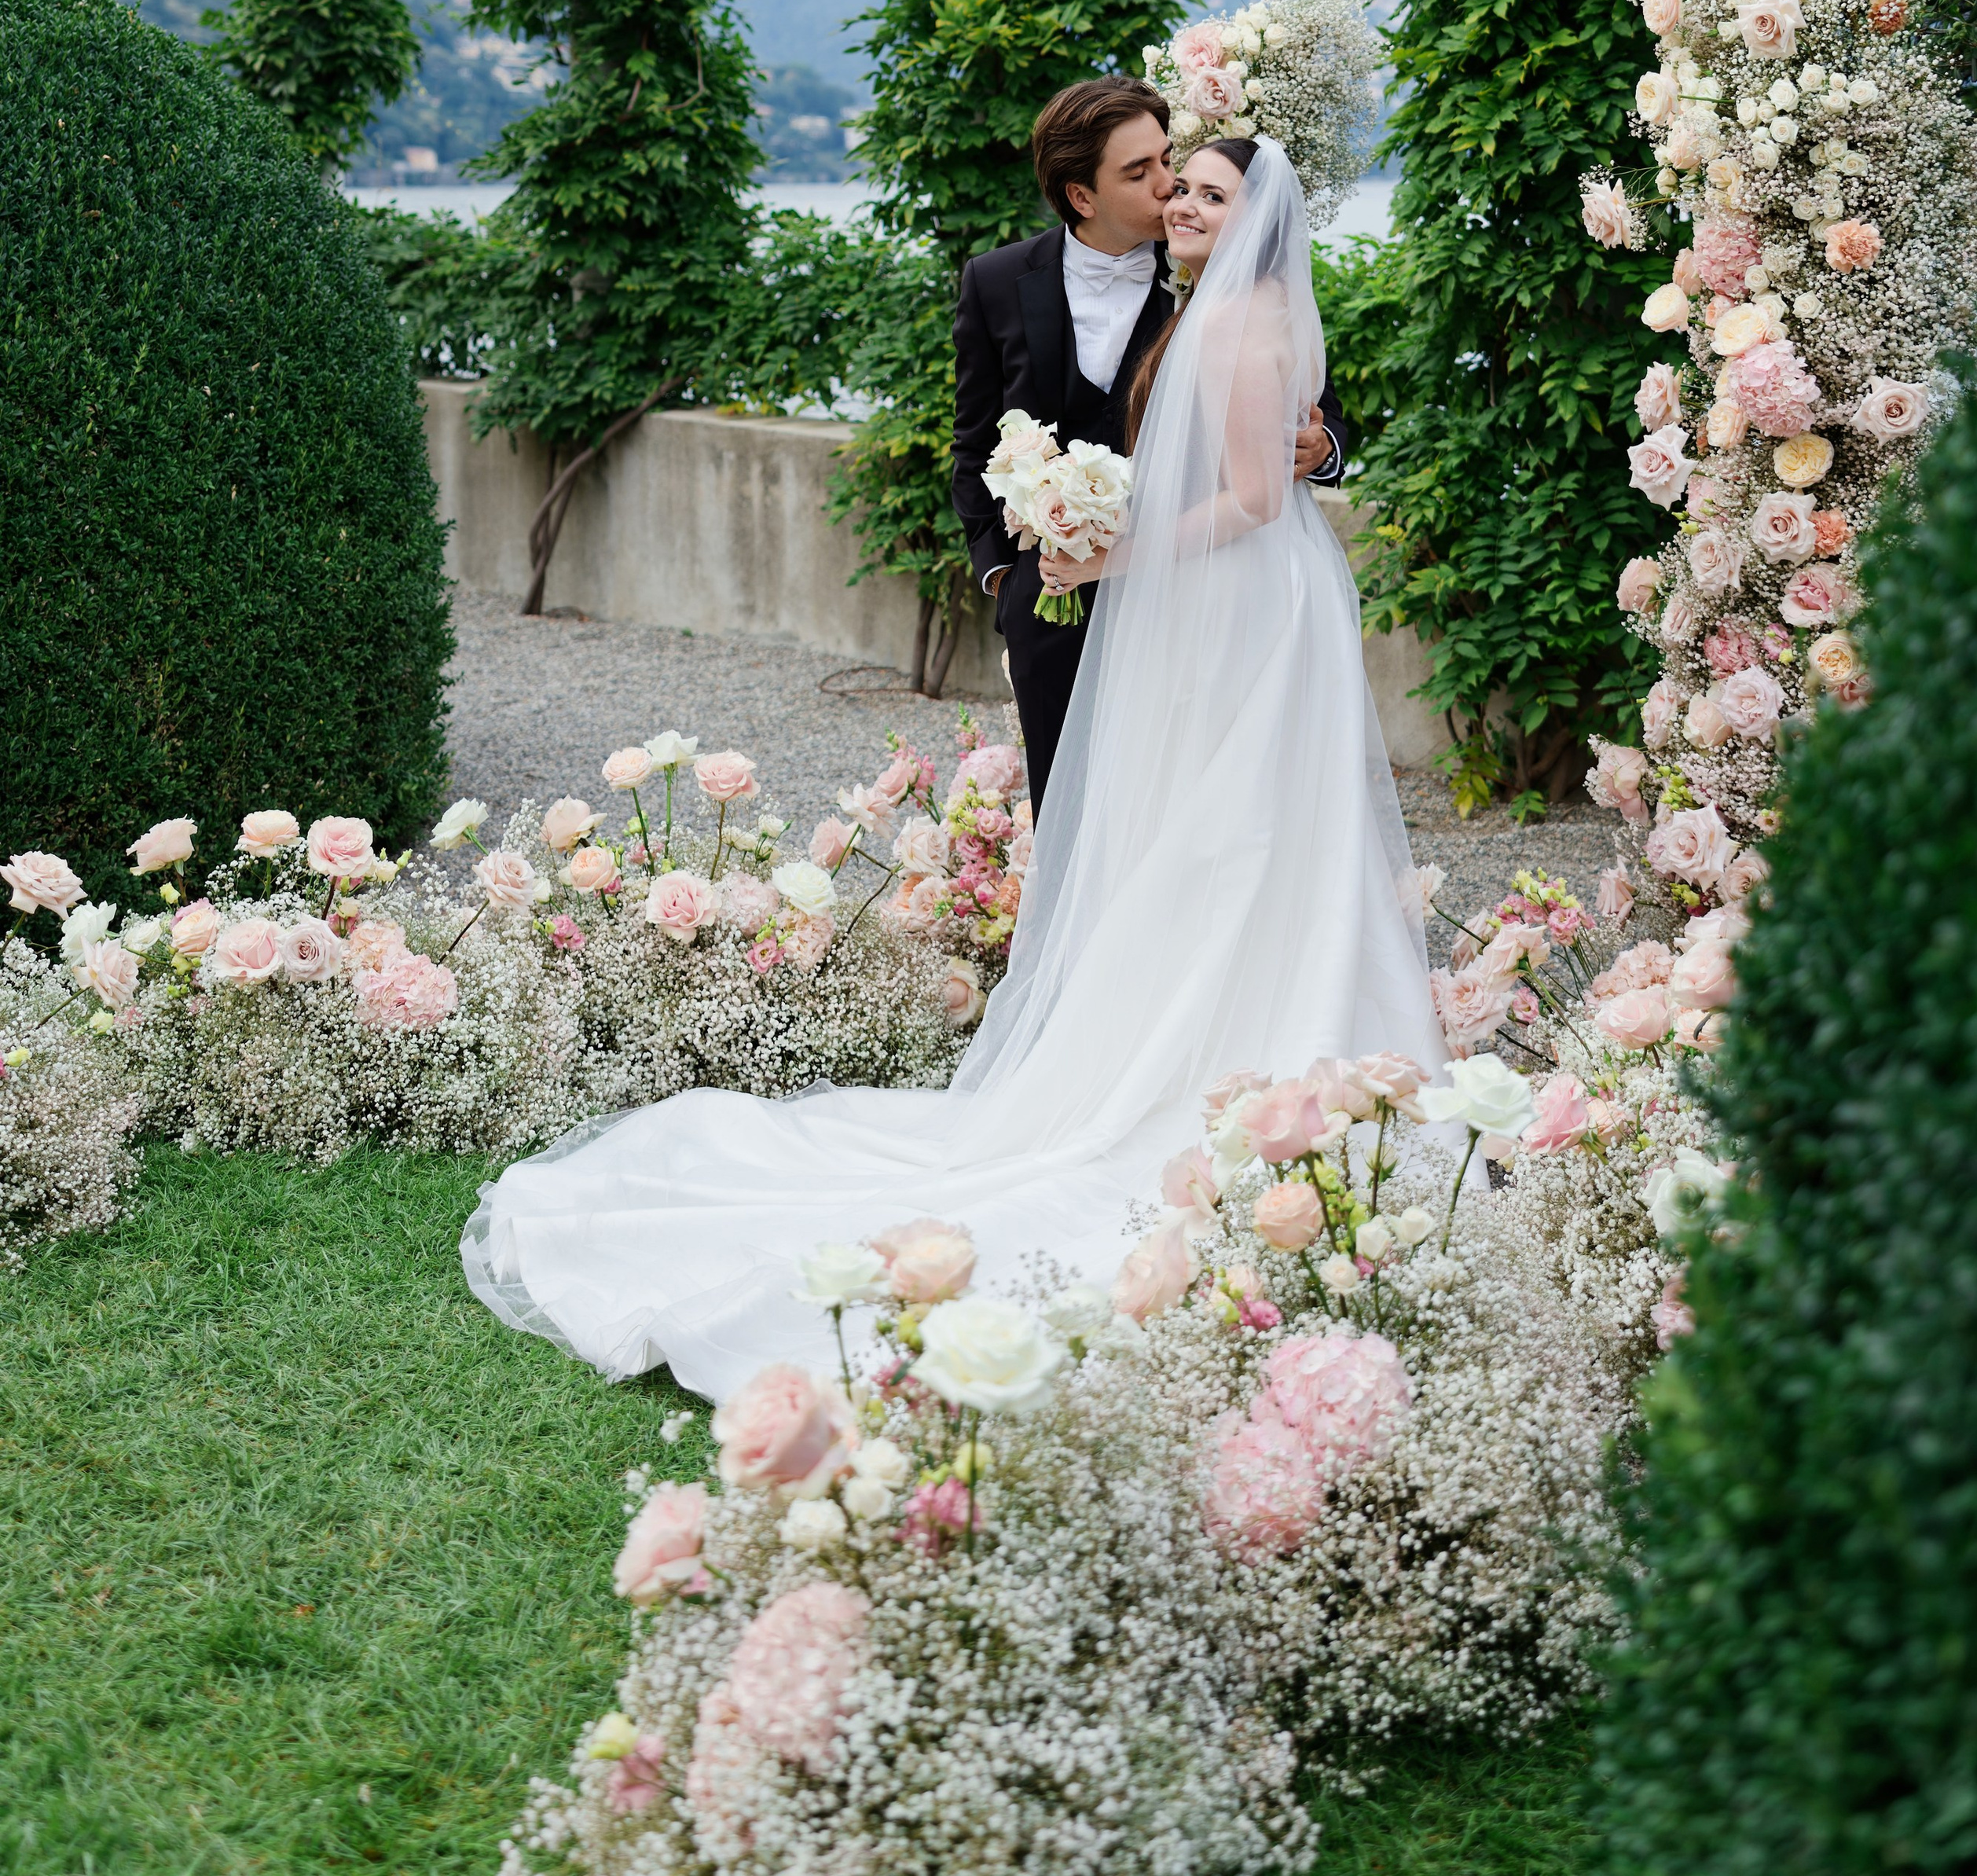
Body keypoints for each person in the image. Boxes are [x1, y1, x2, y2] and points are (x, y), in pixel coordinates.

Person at [461, 135, 1442, 1401]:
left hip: (1232, 598)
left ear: (1253, 219)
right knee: (1169, 828)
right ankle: (1181, 1027)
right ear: (1085, 190)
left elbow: (1272, 473)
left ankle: (1255, 1039)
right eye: (1168, 182)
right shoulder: (1067, 287)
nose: (1179, 201)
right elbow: (984, 432)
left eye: (1203, 189)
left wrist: (1121, 549)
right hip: (1172, 596)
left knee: (1250, 825)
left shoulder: (1232, 314)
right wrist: (1030, 560)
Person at [951, 75, 1346, 815]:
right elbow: (974, 444)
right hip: (1053, 601)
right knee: (1068, 819)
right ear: (1082, 196)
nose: (1170, 188)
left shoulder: (1216, 274)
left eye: (1168, 160)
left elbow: (1315, 408)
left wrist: (1321, 446)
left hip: (1191, 595)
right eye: (1141, 173)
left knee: (1179, 814)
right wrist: (1007, 581)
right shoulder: (997, 281)